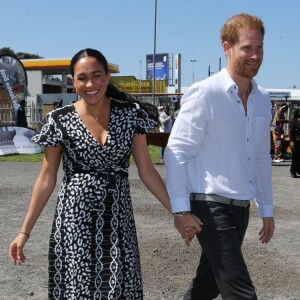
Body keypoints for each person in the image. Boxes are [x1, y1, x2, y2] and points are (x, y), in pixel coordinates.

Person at [8, 48, 201, 300]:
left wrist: (178, 213)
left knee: (119, 287)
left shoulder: (130, 114)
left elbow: (147, 171)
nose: (90, 84)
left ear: (107, 76)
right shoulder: (58, 120)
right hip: (74, 221)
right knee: (79, 290)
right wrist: (24, 233)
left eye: (97, 75)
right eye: (82, 78)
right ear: (73, 81)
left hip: (117, 219)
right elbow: (46, 178)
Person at [165, 13, 275, 300]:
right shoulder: (205, 93)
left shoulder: (263, 98)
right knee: (240, 292)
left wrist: (266, 208)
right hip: (209, 207)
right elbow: (176, 152)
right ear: (227, 47)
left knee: (208, 285)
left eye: (259, 47)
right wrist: (180, 211)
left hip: (241, 207)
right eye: (247, 48)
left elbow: (261, 157)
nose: (255, 55)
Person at [289, 108, 300, 178]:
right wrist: (291, 141)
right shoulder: (294, 121)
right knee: (295, 157)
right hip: (295, 142)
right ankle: (293, 172)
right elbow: (291, 132)